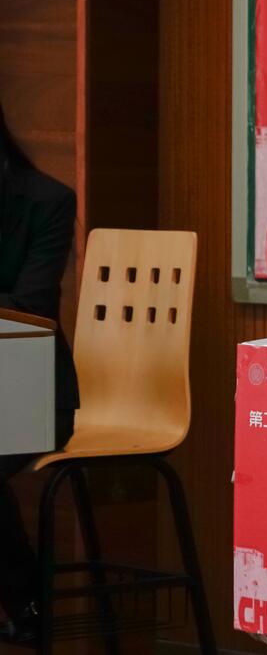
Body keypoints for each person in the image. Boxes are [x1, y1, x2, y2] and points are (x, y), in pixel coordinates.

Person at [0, 101, 78, 643]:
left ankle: (26, 598)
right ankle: (26, 598)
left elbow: (30, 308)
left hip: (31, 389)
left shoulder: (47, 200)